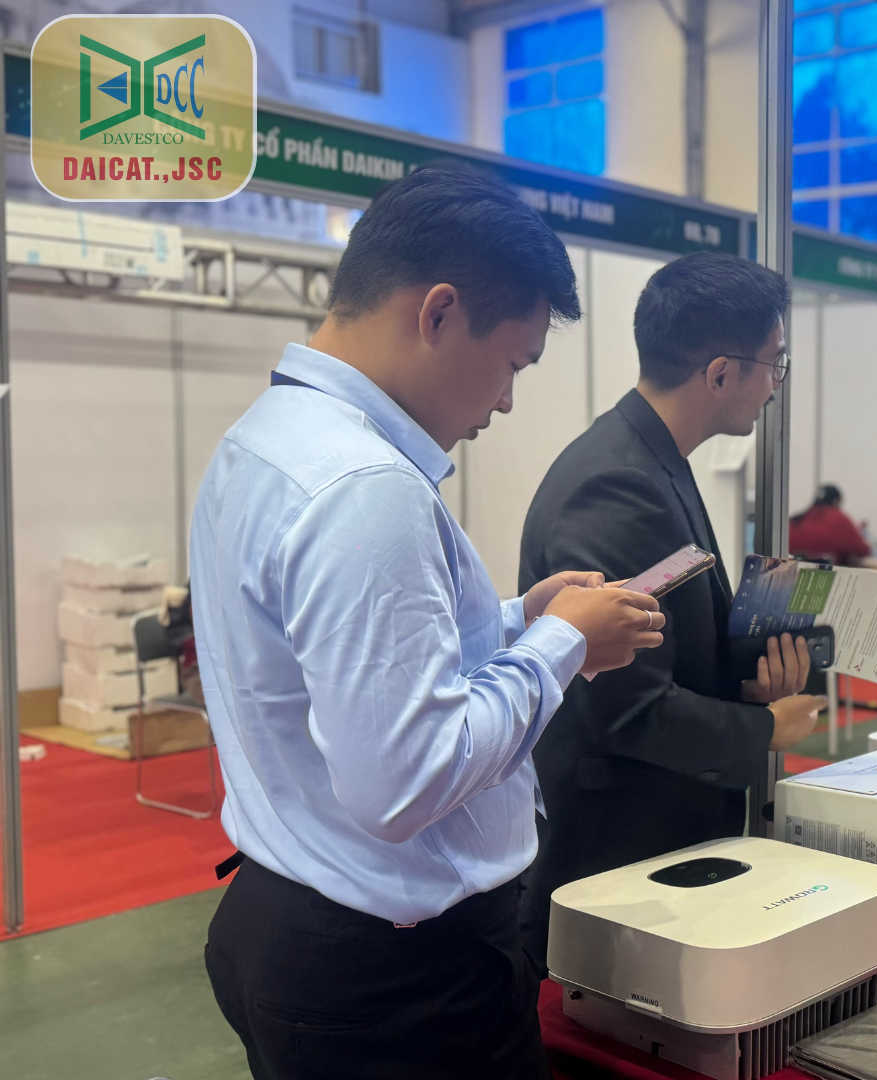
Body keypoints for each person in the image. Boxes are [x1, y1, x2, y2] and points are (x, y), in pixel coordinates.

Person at [193, 168, 665, 1080]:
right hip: (396, 985)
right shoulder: (365, 486)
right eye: (514, 364)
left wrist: (515, 621)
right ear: (439, 313)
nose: (506, 401)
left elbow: (335, 665)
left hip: (294, 918)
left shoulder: (267, 436)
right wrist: (561, 646)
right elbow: (406, 780)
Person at [517, 251, 826, 967]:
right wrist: (766, 729)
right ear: (720, 374)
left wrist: (747, 677)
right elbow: (626, 706)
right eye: (774, 364)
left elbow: (664, 642)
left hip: (652, 830)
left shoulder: (652, 462)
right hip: (619, 846)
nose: (775, 386)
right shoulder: (617, 486)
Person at [789, 484, 873, 565]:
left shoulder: (795, 520)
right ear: (836, 501)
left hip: (791, 571)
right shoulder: (839, 520)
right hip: (825, 572)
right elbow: (864, 550)